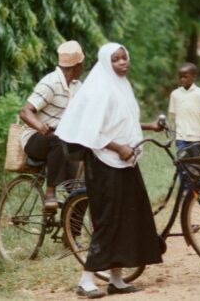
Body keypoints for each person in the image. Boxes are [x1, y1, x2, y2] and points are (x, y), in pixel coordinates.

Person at [56, 43, 163, 298]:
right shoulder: (99, 89)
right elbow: (90, 131)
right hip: (104, 163)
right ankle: (86, 281)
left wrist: (147, 129)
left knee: (128, 218)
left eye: (124, 57)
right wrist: (117, 147)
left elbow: (123, 121)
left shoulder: (121, 86)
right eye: (116, 60)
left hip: (127, 161)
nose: (122, 63)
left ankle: (116, 279)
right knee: (107, 220)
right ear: (106, 63)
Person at [19, 40, 84, 210]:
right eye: (82, 64)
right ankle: (50, 192)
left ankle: (71, 234)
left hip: (61, 143)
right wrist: (40, 126)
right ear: (76, 65)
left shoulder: (78, 87)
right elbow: (25, 112)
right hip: (35, 139)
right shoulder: (51, 83)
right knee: (57, 138)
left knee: (80, 191)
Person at [168, 63, 200, 150]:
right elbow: (172, 116)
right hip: (180, 135)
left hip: (196, 134)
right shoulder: (175, 94)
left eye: (185, 77)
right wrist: (171, 135)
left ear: (194, 77)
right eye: (180, 77)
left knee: (196, 160)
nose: (182, 79)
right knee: (182, 159)